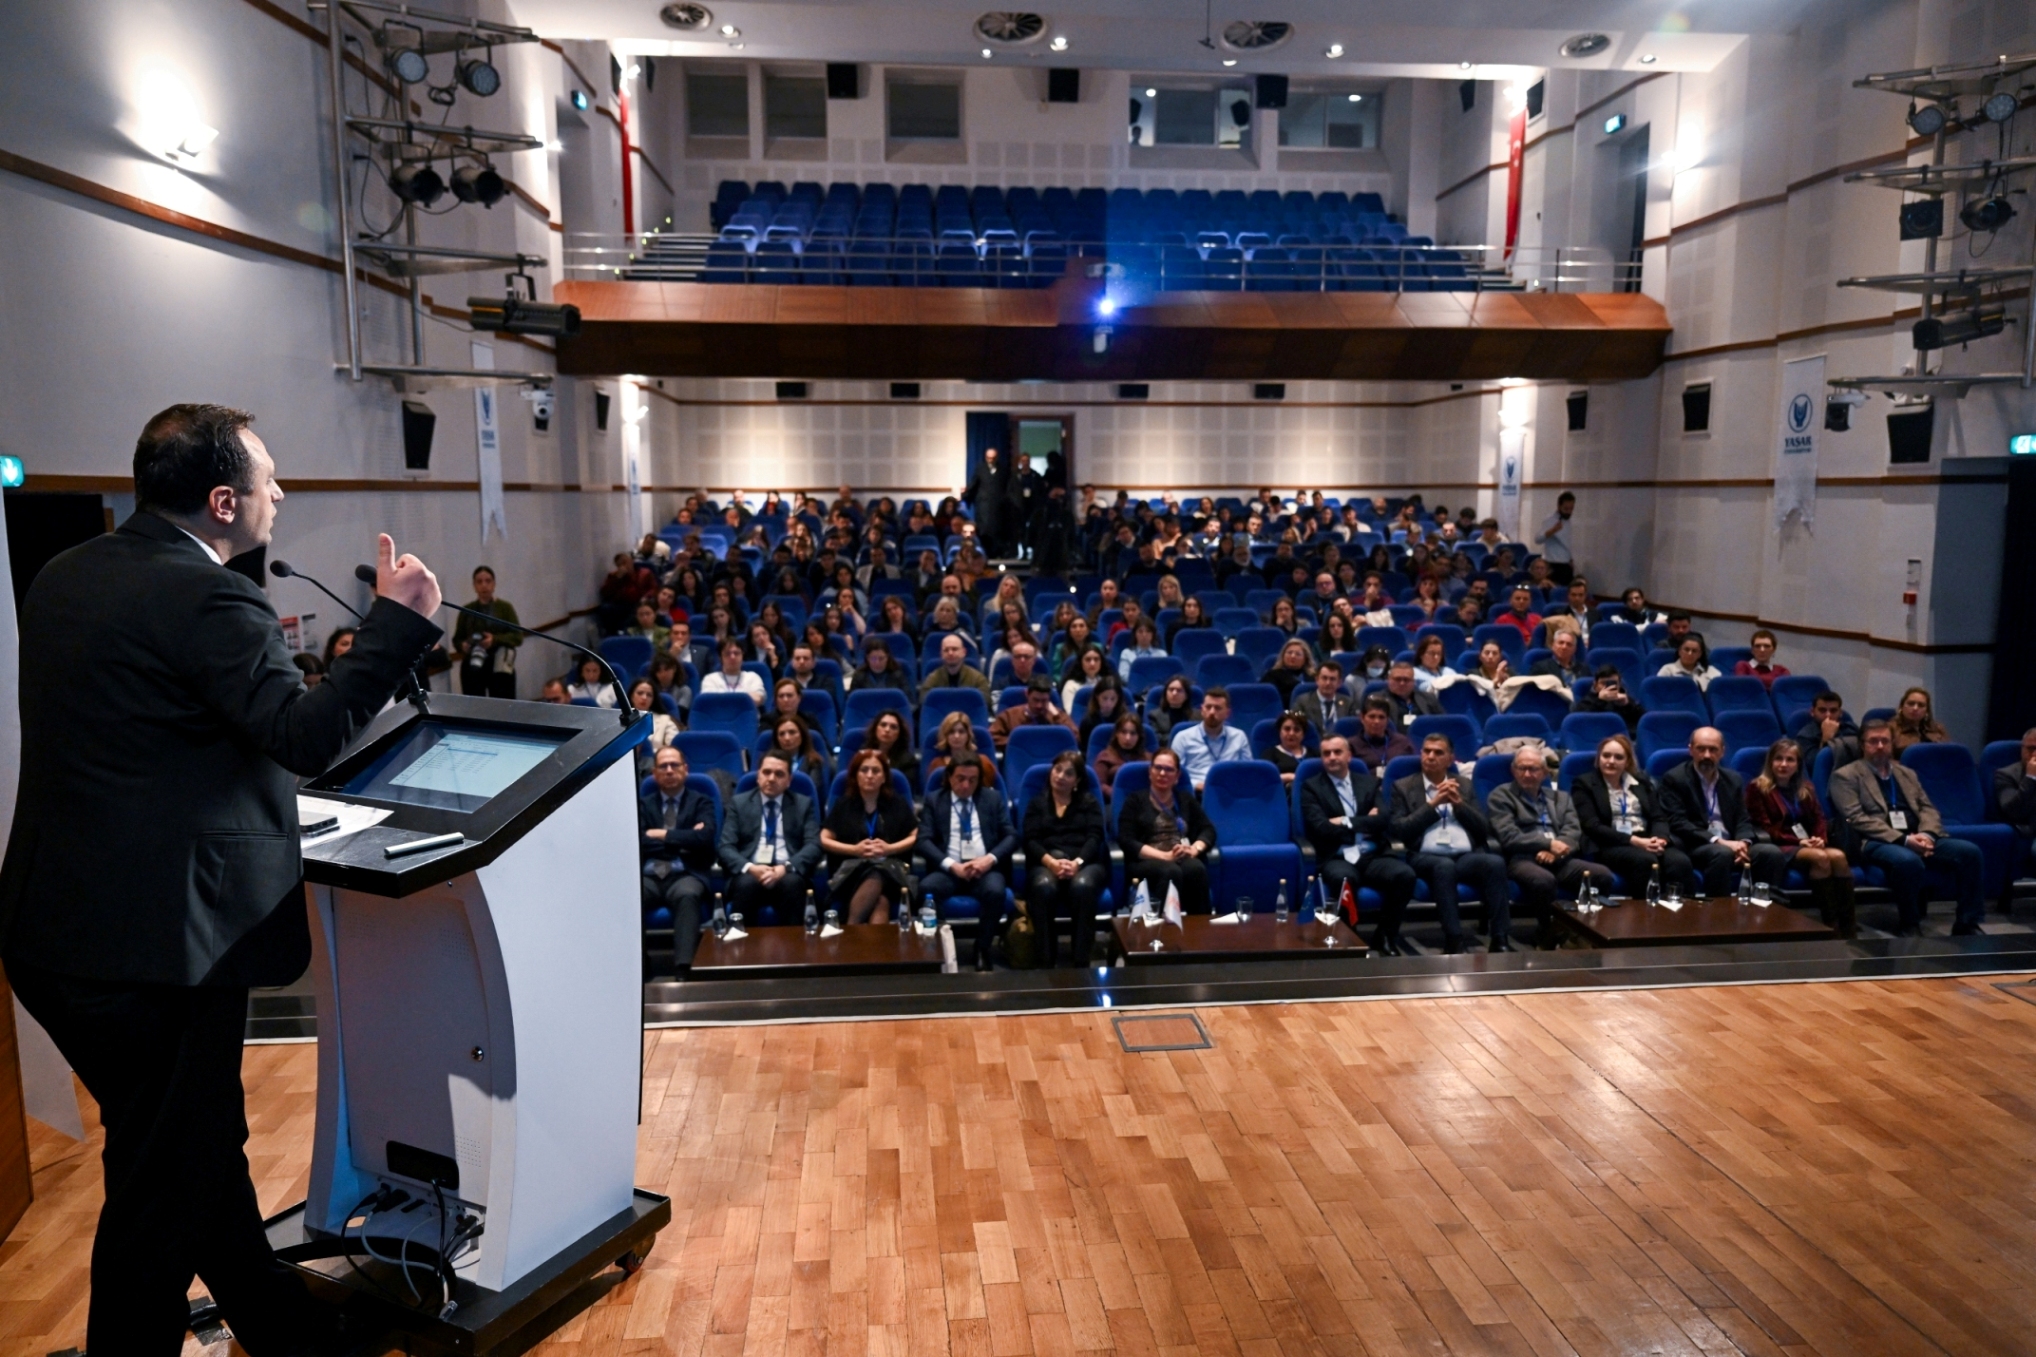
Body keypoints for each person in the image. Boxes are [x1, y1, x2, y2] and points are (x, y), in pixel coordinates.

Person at [0, 403, 444, 1353]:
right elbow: (306, 736)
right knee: (162, 1183)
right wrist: (396, 627)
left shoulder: (63, 574)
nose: (279, 492)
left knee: (190, 1145)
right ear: (222, 501)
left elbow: (146, 747)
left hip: (58, 933)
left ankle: (279, 1328)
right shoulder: (208, 596)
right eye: (268, 478)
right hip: (160, 950)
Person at [1830, 720, 1986, 936]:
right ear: (1862, 745)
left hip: (1918, 835)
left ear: (1892, 743)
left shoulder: (1906, 774)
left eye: (1885, 741)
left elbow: (1927, 808)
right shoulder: (1845, 776)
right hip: (1876, 840)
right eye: (1873, 741)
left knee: (1970, 852)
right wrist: (1904, 841)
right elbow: (1857, 818)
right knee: (1908, 860)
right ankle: (1910, 924)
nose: (1880, 746)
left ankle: (1967, 923)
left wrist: (1927, 834)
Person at [1388, 734, 1514, 953]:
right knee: (1443, 867)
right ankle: (1454, 939)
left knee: (1494, 862)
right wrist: (1434, 804)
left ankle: (1500, 938)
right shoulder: (1403, 787)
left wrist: (1459, 804)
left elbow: (1483, 829)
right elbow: (1400, 830)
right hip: (1424, 855)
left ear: (1450, 759)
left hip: (1464, 855)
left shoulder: (1464, 785)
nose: (1430, 756)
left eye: (1438, 752)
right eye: (1426, 751)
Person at [1299, 734, 1418, 952]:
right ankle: (1349, 940)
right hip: (1337, 855)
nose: (1332, 757)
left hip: (1371, 853)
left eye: (1337, 752)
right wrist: (1365, 821)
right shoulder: (1311, 787)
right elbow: (1321, 828)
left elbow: (1383, 820)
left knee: (1405, 875)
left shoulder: (1369, 783)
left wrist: (1345, 821)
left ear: (1349, 755)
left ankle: (1385, 936)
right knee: (1345, 879)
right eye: (1326, 753)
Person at [1487, 747, 1616, 941]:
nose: (1527, 774)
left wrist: (1556, 851)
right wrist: (1548, 844)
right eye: (1522, 768)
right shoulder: (1501, 796)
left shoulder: (1560, 798)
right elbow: (1508, 836)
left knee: (1602, 875)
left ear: (1545, 773)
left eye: (1533, 769)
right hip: (1522, 859)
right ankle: (1548, 930)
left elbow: (1573, 831)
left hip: (1560, 858)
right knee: (1543, 880)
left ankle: (1586, 929)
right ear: (1513, 771)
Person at [1657, 727, 1790, 895]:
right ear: (1691, 750)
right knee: (1721, 854)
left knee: (1770, 853)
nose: (1707, 755)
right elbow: (1678, 823)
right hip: (1698, 845)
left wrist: (1743, 842)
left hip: (1733, 843)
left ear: (1722, 752)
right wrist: (1720, 842)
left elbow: (1742, 818)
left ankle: (1763, 910)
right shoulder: (1675, 779)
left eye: (1713, 750)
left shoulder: (1732, 779)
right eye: (1701, 749)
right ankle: (1718, 915)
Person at [1745, 738, 1855, 936]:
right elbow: (1763, 827)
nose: (1784, 764)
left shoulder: (1805, 788)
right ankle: (1831, 924)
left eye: (1790, 760)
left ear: (1798, 765)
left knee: (1838, 856)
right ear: (1771, 762)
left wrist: (1819, 838)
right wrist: (1799, 841)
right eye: (1779, 759)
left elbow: (1819, 818)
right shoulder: (1758, 788)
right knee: (1820, 858)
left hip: (1806, 843)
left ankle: (1848, 924)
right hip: (1780, 844)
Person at [918, 757, 1016, 969]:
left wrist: (988, 860)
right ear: (949, 777)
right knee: (927, 889)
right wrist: (953, 866)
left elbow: (1010, 836)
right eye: (960, 779)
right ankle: (945, 948)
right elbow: (923, 840)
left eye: (972, 780)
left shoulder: (992, 798)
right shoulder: (935, 800)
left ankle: (982, 947)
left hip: (984, 868)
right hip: (950, 869)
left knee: (996, 891)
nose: (966, 785)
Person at [1571, 734, 1697, 897]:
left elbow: (1658, 817)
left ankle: (1682, 915)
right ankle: (1644, 916)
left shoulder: (1640, 782)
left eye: (1618, 757)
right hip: (1610, 844)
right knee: (1645, 861)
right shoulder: (1584, 784)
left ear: (1627, 761)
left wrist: (1660, 838)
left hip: (1646, 839)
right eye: (1606, 755)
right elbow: (1592, 826)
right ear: (1598, 758)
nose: (1611, 761)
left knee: (1680, 862)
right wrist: (1636, 842)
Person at [1024, 751, 1111, 966]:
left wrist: (1077, 863)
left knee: (1082, 886)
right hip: (1047, 862)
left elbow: (1095, 837)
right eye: (1057, 770)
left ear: (1077, 780)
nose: (1061, 776)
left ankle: (1081, 961)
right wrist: (1051, 863)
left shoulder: (1089, 802)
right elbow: (1030, 841)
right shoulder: (1037, 803)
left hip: (1085, 863)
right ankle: (1045, 959)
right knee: (1043, 886)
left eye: (1068, 773)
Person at [720, 750, 822, 925]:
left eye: (779, 774)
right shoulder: (739, 803)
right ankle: (743, 949)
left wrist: (786, 868)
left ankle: (793, 949)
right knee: (746, 885)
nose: (772, 778)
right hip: (751, 872)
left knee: (792, 884)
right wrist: (751, 867)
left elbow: (813, 845)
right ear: (758, 776)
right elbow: (725, 847)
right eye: (766, 772)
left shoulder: (803, 804)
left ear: (789, 781)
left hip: (787, 872)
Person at [821, 750, 920, 923]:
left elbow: (916, 834)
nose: (869, 775)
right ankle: (875, 949)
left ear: (884, 777)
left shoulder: (897, 803)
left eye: (876, 771)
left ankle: (850, 930)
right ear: (855, 776)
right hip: (852, 873)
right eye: (864, 770)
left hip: (891, 873)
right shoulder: (844, 804)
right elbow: (824, 838)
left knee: (877, 872)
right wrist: (855, 850)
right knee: (881, 902)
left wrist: (890, 848)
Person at [639, 746, 716, 969]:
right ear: (654, 773)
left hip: (685, 872)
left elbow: (704, 839)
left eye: (675, 765)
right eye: (663, 766)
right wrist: (685, 841)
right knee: (631, 896)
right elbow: (638, 842)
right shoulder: (642, 805)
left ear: (686, 769)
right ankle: (639, 968)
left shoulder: (702, 802)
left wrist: (661, 835)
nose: (670, 770)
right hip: (649, 875)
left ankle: (684, 968)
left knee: (688, 894)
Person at [1118, 748, 1217, 915]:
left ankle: (1199, 933)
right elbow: (1126, 840)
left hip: (1180, 856)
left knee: (1196, 868)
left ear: (1177, 776)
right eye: (1158, 768)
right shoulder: (1135, 801)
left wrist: (1194, 849)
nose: (1162, 773)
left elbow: (1208, 829)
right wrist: (1165, 856)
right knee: (1171, 870)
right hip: (1146, 861)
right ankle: (1157, 930)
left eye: (1169, 769)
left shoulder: (1185, 799)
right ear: (1150, 772)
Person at [452, 565, 523, 698]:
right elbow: (457, 639)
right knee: (474, 706)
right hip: (474, 666)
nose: (484, 585)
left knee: (502, 706)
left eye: (488, 581)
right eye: (479, 582)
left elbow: (517, 636)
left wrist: (494, 640)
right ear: (474, 586)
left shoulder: (505, 608)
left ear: (494, 584)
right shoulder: (467, 610)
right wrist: (463, 645)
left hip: (500, 665)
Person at [1169, 686, 1252, 791]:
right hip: (1195, 793)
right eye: (1208, 707)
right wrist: (1196, 785)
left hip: (1230, 792)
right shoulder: (1183, 737)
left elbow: (1248, 771)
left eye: (1218, 708)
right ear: (1202, 710)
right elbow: (1173, 773)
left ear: (1227, 713)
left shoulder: (1239, 737)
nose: (1212, 712)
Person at [990, 675, 1078, 751]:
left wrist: (1057, 717)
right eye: (1035, 700)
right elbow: (990, 737)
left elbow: (1076, 738)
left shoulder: (1056, 715)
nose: (1039, 705)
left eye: (1044, 701)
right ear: (1027, 694)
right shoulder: (1010, 715)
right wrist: (1017, 743)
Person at [1994, 728, 2036, 882]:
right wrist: (2031, 778)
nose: (2034, 754)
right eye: (2031, 748)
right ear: (2022, 748)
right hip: (2030, 830)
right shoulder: (2006, 774)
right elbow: (2013, 810)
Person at [925, 711, 1000, 788]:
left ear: (968, 735)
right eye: (951, 732)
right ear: (945, 736)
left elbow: (993, 792)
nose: (956, 736)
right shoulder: (937, 765)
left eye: (961, 732)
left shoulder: (984, 762)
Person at [962, 447, 1011, 556]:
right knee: (984, 530)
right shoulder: (980, 468)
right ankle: (984, 553)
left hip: (998, 507)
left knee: (998, 531)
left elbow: (1008, 487)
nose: (991, 460)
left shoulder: (1003, 470)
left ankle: (998, 553)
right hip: (983, 506)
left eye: (993, 458)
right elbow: (973, 484)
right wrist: (964, 497)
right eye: (989, 458)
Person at [1793, 691, 1861, 770]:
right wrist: (1826, 739)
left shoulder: (1851, 728)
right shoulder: (1805, 735)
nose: (1828, 715)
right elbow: (1813, 765)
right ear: (1812, 712)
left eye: (1833, 711)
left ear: (1840, 713)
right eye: (1822, 710)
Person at [1348, 697, 1414, 774]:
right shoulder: (1351, 744)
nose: (1377, 721)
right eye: (1372, 716)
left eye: (1381, 717)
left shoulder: (1402, 742)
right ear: (1362, 718)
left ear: (1387, 720)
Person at [1293, 658, 1359, 734]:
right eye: (1324, 678)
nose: (1328, 683)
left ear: (1339, 683)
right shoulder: (1303, 702)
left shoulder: (1348, 703)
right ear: (1317, 680)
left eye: (1332, 679)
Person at [919, 632, 992, 700]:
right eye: (946, 650)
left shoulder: (978, 679)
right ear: (941, 654)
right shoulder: (932, 679)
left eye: (954, 649)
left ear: (964, 652)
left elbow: (985, 701)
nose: (950, 653)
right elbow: (924, 700)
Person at [699, 636, 767, 708]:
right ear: (720, 657)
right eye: (727, 654)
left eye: (736, 653)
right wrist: (745, 697)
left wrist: (723, 698)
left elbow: (757, 699)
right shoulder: (710, 679)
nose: (732, 657)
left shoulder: (753, 677)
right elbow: (711, 703)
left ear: (742, 656)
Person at [1575, 664, 1644, 734]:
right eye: (1603, 683)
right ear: (1595, 684)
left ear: (1619, 684)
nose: (1608, 687)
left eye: (1613, 683)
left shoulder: (1624, 698)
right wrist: (1600, 701)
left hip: (1624, 737)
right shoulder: (1587, 701)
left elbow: (1643, 720)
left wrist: (1627, 705)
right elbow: (1581, 722)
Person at [1092, 712, 1148, 797]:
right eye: (1123, 732)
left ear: (1139, 736)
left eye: (1133, 733)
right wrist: (1117, 794)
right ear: (1116, 734)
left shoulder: (1148, 758)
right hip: (1114, 802)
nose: (1127, 738)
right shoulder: (1105, 757)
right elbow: (1099, 785)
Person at [768, 712, 831, 786]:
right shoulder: (769, 762)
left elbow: (811, 790)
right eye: (782, 734)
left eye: (792, 732)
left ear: (802, 735)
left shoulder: (813, 762)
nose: (787, 738)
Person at [860, 709, 920, 782]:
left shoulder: (907, 761)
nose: (887, 730)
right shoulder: (863, 754)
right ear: (875, 729)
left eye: (893, 727)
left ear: (899, 734)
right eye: (883, 725)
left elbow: (904, 788)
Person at [1378, 662, 1444, 727]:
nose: (1402, 683)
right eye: (1397, 679)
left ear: (1414, 681)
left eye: (1406, 680)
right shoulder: (1378, 700)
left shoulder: (1429, 698)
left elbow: (1442, 723)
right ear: (1388, 680)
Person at [848, 636, 913, 700]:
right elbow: (852, 702)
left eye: (881, 658)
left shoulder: (897, 675)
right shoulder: (859, 676)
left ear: (887, 657)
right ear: (867, 658)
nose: (877, 662)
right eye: (873, 659)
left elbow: (908, 701)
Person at [1890, 686, 1950, 754]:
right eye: (1911, 704)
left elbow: (1949, 754)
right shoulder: (1890, 729)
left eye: (1921, 705)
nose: (1915, 708)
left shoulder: (1938, 728)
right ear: (1901, 707)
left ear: (1927, 711)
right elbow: (1887, 760)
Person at [1263, 638, 1316, 706]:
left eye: (1298, 654)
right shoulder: (1271, 676)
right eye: (1289, 652)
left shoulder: (1313, 677)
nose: (1293, 656)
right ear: (1283, 656)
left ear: (1306, 658)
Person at [1537, 491, 1575, 585]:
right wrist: (1552, 531)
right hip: (1552, 564)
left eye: (1571, 509)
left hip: (1566, 564)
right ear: (1559, 506)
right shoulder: (1549, 520)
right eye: (1566, 509)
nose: (1569, 512)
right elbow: (1537, 539)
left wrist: (1570, 558)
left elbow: (1567, 543)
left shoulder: (1569, 522)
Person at [1148, 675, 1199, 743]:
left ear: (1186, 695)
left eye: (1179, 690)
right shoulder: (1154, 716)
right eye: (1171, 690)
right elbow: (1156, 739)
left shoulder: (1198, 716)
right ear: (1165, 693)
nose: (1174, 693)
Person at [1116, 616, 1166, 682]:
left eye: (1148, 631)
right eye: (1140, 631)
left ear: (1153, 634)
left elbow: (1164, 676)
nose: (1144, 635)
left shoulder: (1161, 654)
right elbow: (1123, 676)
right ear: (1135, 634)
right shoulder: (1127, 653)